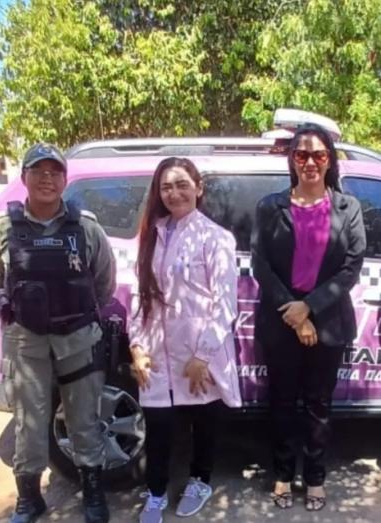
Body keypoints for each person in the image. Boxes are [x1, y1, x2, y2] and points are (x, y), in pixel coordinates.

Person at [0, 143, 116, 523]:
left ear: (64, 179)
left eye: (54, 171)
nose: (46, 178)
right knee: (29, 421)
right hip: (26, 340)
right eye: (37, 171)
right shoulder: (3, 229)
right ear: (23, 178)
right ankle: (29, 498)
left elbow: (103, 281)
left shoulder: (85, 227)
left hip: (78, 337)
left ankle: (92, 493)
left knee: (85, 418)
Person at [251, 123, 366, 511]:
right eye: (302, 154)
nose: (310, 162)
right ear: (292, 160)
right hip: (282, 320)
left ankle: (315, 478)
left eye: (319, 154)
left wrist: (311, 307)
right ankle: (283, 474)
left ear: (329, 159)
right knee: (282, 403)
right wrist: (296, 314)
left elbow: (351, 267)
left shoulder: (348, 208)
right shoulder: (271, 207)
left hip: (328, 323)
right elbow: (260, 264)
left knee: (318, 405)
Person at [128, 157, 241, 523]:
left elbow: (225, 304)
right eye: (166, 187)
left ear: (198, 187)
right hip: (157, 352)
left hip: (198, 355)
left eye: (181, 184)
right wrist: (137, 347)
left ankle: (200, 481)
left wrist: (203, 355)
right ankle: (156, 493)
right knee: (158, 429)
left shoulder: (216, 238)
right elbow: (139, 297)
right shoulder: (152, 235)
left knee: (202, 425)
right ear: (158, 193)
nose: (174, 193)